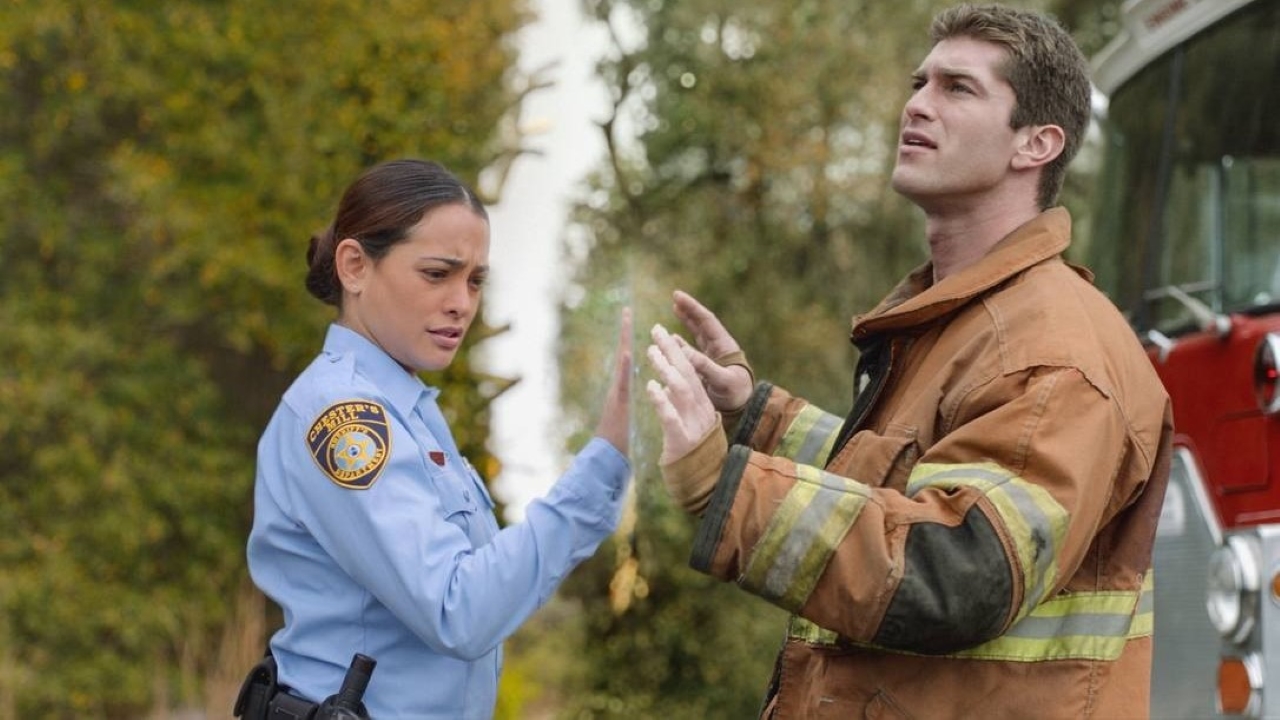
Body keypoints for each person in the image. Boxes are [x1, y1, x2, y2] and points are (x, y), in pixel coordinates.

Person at [644, 4, 1173, 718]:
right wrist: (752, 420)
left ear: (1037, 144)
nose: (917, 105)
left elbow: (957, 568)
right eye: (919, 82)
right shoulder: (972, 323)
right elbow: (908, 482)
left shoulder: (1054, 355)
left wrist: (727, 490)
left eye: (958, 89)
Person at [237, 159, 632, 719]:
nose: (461, 303)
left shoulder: (408, 410)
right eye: (436, 274)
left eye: (474, 280)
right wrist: (601, 469)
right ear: (354, 266)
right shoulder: (342, 416)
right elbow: (459, 610)